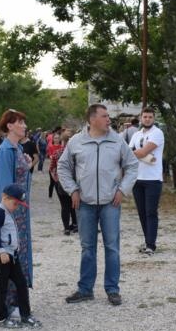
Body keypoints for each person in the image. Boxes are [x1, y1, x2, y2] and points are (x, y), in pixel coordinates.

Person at [58, 104, 138, 306]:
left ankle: (112, 289)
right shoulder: (76, 141)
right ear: (92, 119)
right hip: (85, 203)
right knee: (87, 247)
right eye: (104, 116)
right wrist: (72, 190)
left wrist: (122, 190)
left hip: (111, 203)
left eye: (108, 116)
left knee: (112, 247)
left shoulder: (117, 140)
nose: (108, 119)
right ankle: (85, 289)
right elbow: (63, 167)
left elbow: (132, 165)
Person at [0, 109, 34, 319]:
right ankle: (10, 303)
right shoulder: (6, 150)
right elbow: (7, 187)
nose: (24, 126)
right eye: (20, 122)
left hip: (20, 211)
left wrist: (28, 165)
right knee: (11, 255)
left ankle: (19, 300)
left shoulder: (17, 148)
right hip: (12, 213)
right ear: (10, 126)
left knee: (20, 255)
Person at [0, 184, 41, 329]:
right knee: (1, 286)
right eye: (15, 203)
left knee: (21, 283)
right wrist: (1, 251)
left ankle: (25, 314)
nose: (16, 207)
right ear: (5, 198)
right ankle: (2, 318)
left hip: (12, 256)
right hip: (2, 256)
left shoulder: (8, 212)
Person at [130, 106, 165, 253]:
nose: (147, 119)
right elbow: (129, 152)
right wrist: (145, 156)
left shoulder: (157, 133)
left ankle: (151, 245)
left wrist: (138, 153)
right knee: (142, 213)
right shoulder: (136, 135)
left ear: (154, 118)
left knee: (151, 212)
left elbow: (142, 152)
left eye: (150, 117)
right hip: (137, 178)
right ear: (140, 118)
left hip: (153, 179)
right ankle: (147, 241)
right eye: (145, 117)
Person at [49, 129, 78, 235]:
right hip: (75, 182)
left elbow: (52, 168)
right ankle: (75, 224)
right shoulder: (77, 153)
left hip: (61, 182)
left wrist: (56, 178)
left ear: (63, 141)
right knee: (74, 204)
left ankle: (66, 228)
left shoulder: (57, 153)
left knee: (65, 206)